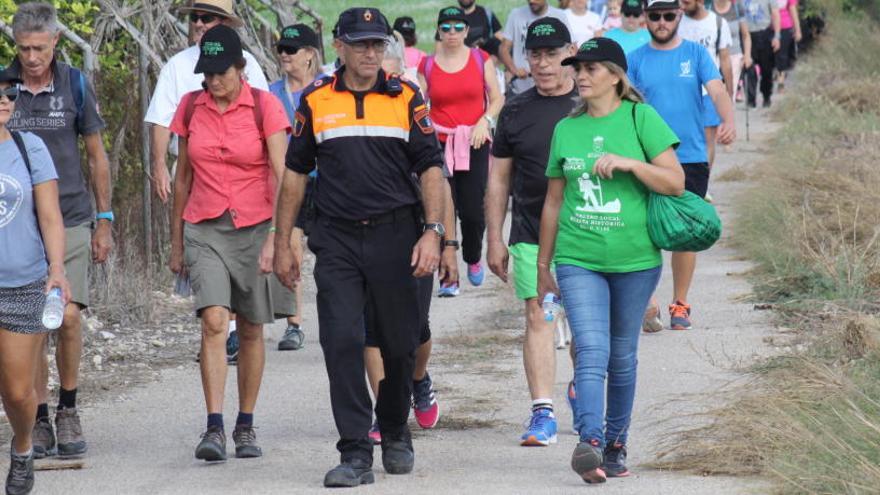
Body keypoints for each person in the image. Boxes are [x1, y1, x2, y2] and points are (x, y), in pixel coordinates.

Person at [273, 8, 445, 488]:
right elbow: (293, 174)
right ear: (340, 47)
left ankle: (394, 429)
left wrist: (435, 232)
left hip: (397, 236)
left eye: (378, 44)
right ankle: (353, 450)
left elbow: (432, 167)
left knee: (399, 345)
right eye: (361, 44)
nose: (371, 52)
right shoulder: (315, 100)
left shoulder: (407, 96)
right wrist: (282, 239)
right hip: (338, 238)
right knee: (342, 340)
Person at [537, 37, 684, 484]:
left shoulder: (642, 118)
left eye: (591, 69)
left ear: (617, 77)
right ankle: (591, 441)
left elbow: (675, 182)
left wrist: (630, 165)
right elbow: (553, 202)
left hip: (636, 260)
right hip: (578, 257)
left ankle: (617, 444)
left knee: (622, 355)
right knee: (592, 348)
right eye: (577, 68)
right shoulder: (567, 129)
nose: (580, 76)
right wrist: (544, 265)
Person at [168, 25, 291, 462]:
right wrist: (176, 241)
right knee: (215, 321)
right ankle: (214, 426)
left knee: (253, 327)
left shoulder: (265, 107)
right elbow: (182, 177)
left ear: (241, 68)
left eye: (222, 71)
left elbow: (283, 176)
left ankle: (246, 424)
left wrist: (279, 238)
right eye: (207, 73)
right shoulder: (190, 106)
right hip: (204, 226)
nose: (213, 81)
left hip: (257, 226)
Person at [8, 1, 114, 460]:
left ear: (55, 43)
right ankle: (40, 415)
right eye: (23, 49)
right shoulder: (4, 86)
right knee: (31, 324)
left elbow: (95, 154)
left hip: (69, 216)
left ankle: (69, 405)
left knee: (66, 315)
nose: (31, 58)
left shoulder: (74, 84)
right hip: (14, 220)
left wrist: (104, 220)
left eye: (39, 48)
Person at [145, 0, 270, 363]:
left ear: (224, 23)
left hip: (241, 175)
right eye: (194, 17)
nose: (199, 23)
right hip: (195, 167)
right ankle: (219, 327)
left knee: (236, 253)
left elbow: (265, 118)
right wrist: (158, 165)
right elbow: (159, 119)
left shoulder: (247, 62)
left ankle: (231, 329)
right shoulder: (178, 66)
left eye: (207, 17)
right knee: (207, 253)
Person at [486, 17, 578, 447]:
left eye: (552, 54)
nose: (543, 64)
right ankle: (543, 412)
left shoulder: (589, 105)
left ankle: (584, 391)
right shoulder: (515, 110)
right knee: (538, 317)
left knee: (584, 326)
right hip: (528, 234)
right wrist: (494, 238)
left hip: (586, 234)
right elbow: (499, 181)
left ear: (571, 52)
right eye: (535, 55)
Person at [628, 0, 736, 331]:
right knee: (641, 232)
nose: (662, 22)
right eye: (655, 16)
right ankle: (645, 302)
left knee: (684, 233)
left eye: (668, 15)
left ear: (679, 16)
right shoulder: (635, 60)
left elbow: (717, 91)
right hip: (647, 160)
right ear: (646, 17)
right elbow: (624, 104)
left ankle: (680, 304)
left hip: (689, 156)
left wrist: (728, 118)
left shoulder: (696, 54)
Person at [0, 64, 70, 495]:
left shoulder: (30, 148)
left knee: (18, 390)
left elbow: (50, 216)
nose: (4, 101)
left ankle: (23, 444)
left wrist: (57, 269)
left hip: (23, 281)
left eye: (8, 93)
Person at [418, 6, 504, 295]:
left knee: (472, 211)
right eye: (446, 27)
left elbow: (496, 98)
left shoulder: (481, 59)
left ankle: (472, 257)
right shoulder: (427, 65)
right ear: (438, 31)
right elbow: (419, 105)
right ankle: (448, 276)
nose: (452, 33)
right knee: (442, 208)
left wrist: (485, 122)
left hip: (474, 142)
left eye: (458, 27)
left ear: (467, 31)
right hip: (440, 144)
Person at [268, 23, 325, 352]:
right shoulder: (271, 92)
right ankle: (294, 323)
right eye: (281, 50)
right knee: (291, 247)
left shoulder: (325, 89)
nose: (284, 55)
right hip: (289, 181)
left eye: (291, 50)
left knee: (330, 249)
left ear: (309, 55)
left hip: (327, 180)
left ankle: (344, 314)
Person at [679, 0, 733, 168]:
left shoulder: (718, 23)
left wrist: (729, 96)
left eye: (686, 1)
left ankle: (704, 184)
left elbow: (725, 61)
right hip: (682, 92)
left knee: (708, 140)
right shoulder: (676, 22)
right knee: (684, 139)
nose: (682, 4)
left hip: (709, 91)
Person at [499, 0, 570, 94]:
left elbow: (570, 48)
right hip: (521, 88)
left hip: (553, 89)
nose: (531, 1)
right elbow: (503, 49)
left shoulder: (559, 15)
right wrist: (514, 71)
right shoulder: (516, 14)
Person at [712, 0, 753, 104]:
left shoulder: (737, 6)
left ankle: (727, 118)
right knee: (713, 96)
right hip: (713, 57)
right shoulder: (709, 6)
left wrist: (747, 56)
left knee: (730, 96)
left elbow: (745, 35)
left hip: (734, 56)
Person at [742, 0, 781, 107]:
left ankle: (766, 96)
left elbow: (775, 14)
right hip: (748, 35)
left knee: (766, 69)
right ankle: (751, 99)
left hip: (764, 33)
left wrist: (777, 36)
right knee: (749, 68)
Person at [774, 0, 801, 92]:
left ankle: (780, 83)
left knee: (782, 55)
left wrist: (797, 30)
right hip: (768, 27)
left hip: (785, 27)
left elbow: (793, 10)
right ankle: (778, 74)